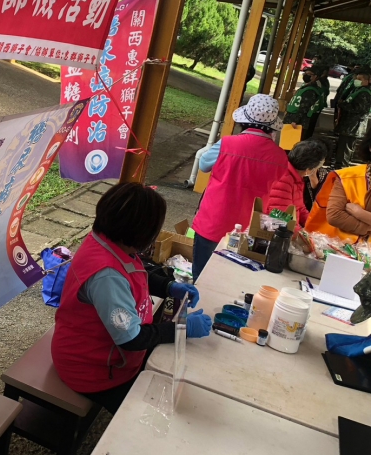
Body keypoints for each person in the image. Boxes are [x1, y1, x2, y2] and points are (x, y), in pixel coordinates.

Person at [51, 183, 211, 415]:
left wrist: (168, 287)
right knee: (159, 413)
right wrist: (182, 329)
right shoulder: (106, 276)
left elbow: (134, 274)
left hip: (102, 350)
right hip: (90, 368)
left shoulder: (107, 240)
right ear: (139, 233)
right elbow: (131, 338)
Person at [192, 94, 289, 280]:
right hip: (250, 230)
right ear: (272, 126)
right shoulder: (280, 157)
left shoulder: (227, 144)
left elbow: (203, 165)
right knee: (231, 280)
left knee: (201, 276)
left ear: (244, 121)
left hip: (213, 221)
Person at [306, 130, 371, 242]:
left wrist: (359, 213)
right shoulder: (347, 176)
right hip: (342, 246)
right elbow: (335, 216)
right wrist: (367, 228)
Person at [265, 139, 327, 229]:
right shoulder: (284, 180)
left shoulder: (296, 178)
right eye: (316, 168)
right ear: (308, 169)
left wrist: (316, 226)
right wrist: (300, 233)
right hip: (278, 230)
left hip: (290, 229)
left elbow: (300, 208)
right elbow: (280, 217)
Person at [333, 66, 371, 169]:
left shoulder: (365, 93)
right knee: (341, 147)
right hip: (348, 125)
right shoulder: (358, 90)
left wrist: (343, 104)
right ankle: (338, 166)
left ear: (367, 81)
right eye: (356, 78)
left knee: (345, 149)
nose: (356, 81)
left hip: (352, 126)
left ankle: (341, 168)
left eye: (360, 79)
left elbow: (359, 109)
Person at [284, 65, 327, 141]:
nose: (306, 76)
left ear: (315, 76)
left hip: (297, 121)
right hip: (291, 117)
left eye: (309, 74)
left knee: (292, 142)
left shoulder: (310, 91)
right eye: (305, 74)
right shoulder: (305, 87)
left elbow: (304, 108)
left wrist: (295, 121)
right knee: (286, 141)